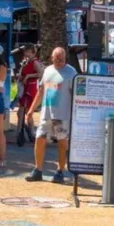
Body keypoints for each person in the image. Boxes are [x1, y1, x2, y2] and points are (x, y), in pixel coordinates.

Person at [27, 47, 76, 183]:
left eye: (62, 59)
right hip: (46, 113)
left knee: (62, 142)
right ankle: (38, 170)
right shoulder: (47, 71)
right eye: (57, 58)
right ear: (52, 58)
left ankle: (60, 171)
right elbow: (41, 91)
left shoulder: (71, 73)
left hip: (62, 114)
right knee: (39, 138)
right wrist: (31, 110)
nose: (59, 61)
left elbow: (77, 95)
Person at [14, 45, 42, 151]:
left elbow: (40, 74)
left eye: (28, 52)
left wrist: (28, 76)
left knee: (25, 112)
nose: (26, 54)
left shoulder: (34, 62)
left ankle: (26, 133)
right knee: (22, 112)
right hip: (24, 87)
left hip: (30, 89)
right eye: (25, 52)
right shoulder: (26, 62)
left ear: (33, 52)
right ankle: (29, 132)